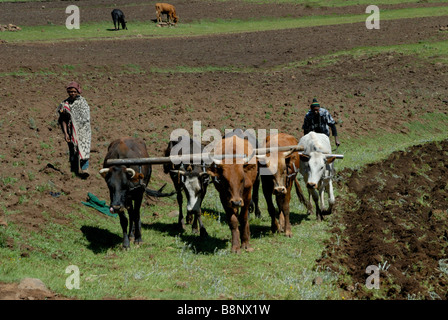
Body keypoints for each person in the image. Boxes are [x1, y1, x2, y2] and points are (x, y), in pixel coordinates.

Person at [57, 81, 92, 178]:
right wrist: (66, 133)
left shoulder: (82, 103)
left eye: (74, 91)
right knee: (73, 150)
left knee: (84, 149)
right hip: (71, 131)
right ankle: (74, 171)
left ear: (78, 91)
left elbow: (86, 118)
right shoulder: (65, 104)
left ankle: (85, 169)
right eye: (70, 92)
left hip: (84, 131)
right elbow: (62, 119)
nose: (72, 93)